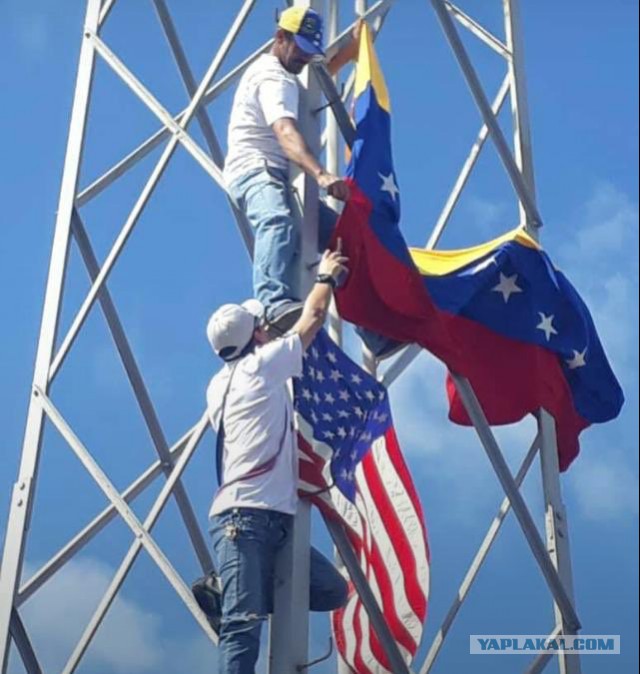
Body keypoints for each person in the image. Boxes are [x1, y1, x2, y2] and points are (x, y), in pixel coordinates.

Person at [205, 244, 350, 673]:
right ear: (255, 337)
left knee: (331, 590)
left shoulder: (219, 385)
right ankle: (234, 592)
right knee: (242, 627)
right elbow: (313, 320)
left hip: (269, 520)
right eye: (261, 325)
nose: (267, 329)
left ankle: (233, 587)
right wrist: (324, 277)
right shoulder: (262, 368)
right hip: (246, 519)